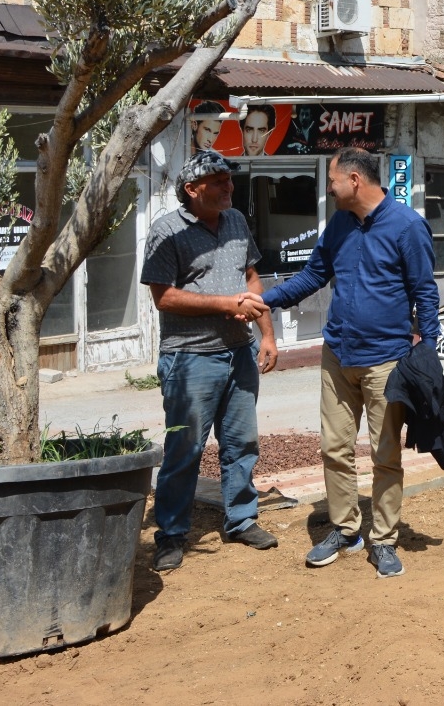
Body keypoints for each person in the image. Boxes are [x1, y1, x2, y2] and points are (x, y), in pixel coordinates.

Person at [256, 147, 440, 578]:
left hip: (386, 362)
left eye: (333, 181)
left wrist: (428, 352)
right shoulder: (338, 224)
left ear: (355, 180)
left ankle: (385, 540)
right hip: (337, 354)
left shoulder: (408, 227)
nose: (329, 189)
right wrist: (263, 301)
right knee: (334, 448)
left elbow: (426, 293)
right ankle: (345, 530)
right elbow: (311, 276)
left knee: (385, 453)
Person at [141, 149, 278, 573]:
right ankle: (171, 533)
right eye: (218, 181)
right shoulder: (167, 231)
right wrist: (224, 303)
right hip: (189, 358)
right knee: (185, 449)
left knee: (242, 444)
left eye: (229, 180)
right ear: (192, 189)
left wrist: (267, 334)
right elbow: (163, 296)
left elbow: (251, 276)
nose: (228, 187)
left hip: (238, 353)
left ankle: (240, 519)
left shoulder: (236, 221)